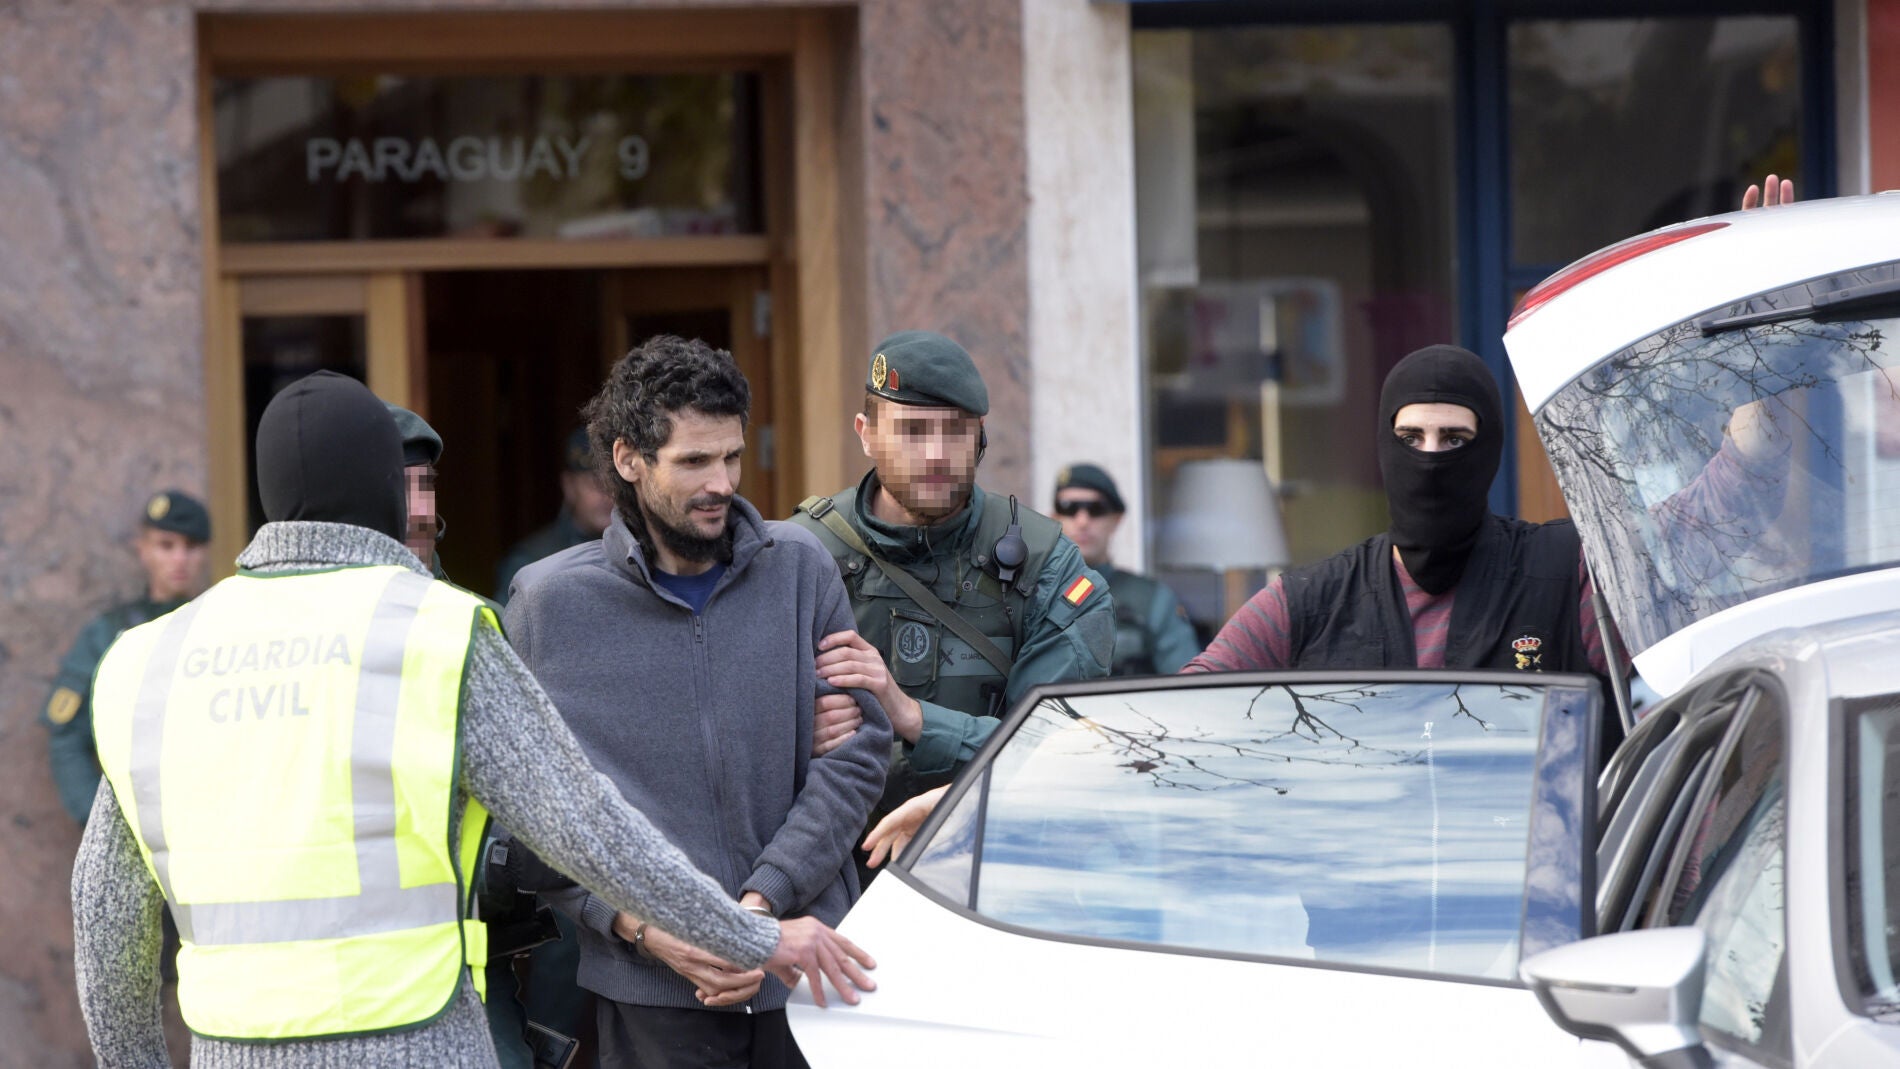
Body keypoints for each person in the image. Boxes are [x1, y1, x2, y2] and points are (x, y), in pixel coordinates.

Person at [74, 371, 874, 1069]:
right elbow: (585, 827)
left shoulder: (152, 658)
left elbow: (105, 926)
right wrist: (755, 936)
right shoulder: (433, 631)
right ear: (390, 489)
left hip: (231, 1047)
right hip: (418, 1040)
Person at [505, 337, 890, 1068]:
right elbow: (530, 820)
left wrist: (754, 913)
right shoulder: (549, 604)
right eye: (693, 462)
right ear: (628, 460)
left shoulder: (801, 569)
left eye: (731, 457)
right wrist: (643, 926)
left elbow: (857, 757)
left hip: (813, 982)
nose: (722, 482)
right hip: (652, 995)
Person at [790, 330, 1115, 819]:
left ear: (981, 435)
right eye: (913, 432)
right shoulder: (798, 556)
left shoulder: (1046, 565)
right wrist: (794, 733)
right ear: (866, 433)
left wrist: (913, 717)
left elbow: (1058, 747)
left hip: (990, 857)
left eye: (957, 431)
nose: (938, 454)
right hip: (830, 872)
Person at [41, 489, 210, 826]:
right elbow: (67, 737)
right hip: (134, 813)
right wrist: (99, 824)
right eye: (166, 545)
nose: (179, 559)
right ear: (143, 549)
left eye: (190, 547)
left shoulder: (217, 623)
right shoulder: (108, 633)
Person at [1052, 463, 1199, 675]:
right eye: (1069, 508)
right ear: (1054, 517)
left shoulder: (1151, 599)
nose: (1082, 521)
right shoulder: (1033, 596)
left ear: (1116, 519)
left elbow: (1187, 684)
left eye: (1096, 509)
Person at [495, 427, 615, 604]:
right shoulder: (532, 561)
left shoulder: (644, 554)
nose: (607, 496)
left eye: (615, 484)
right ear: (569, 486)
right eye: (596, 484)